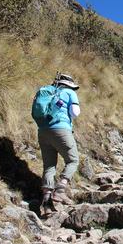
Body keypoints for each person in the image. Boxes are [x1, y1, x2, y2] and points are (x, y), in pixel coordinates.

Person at [33, 73, 81, 215]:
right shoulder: (69, 92)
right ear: (69, 84)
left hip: (43, 131)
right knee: (73, 160)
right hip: (61, 130)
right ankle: (60, 189)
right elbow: (75, 112)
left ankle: (47, 203)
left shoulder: (48, 92)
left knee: (49, 165)